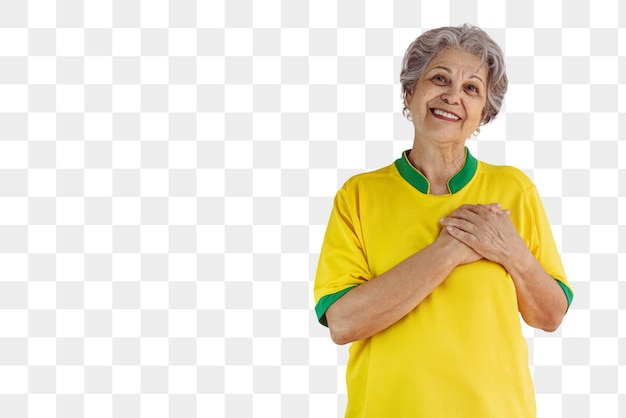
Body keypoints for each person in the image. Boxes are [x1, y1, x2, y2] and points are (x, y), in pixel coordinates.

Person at [313, 24, 573, 417]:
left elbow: (549, 316)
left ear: (483, 113)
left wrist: (512, 252)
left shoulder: (513, 191)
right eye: (439, 79)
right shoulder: (359, 196)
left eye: (472, 88)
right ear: (409, 93)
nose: (453, 96)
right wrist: (449, 250)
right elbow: (343, 322)